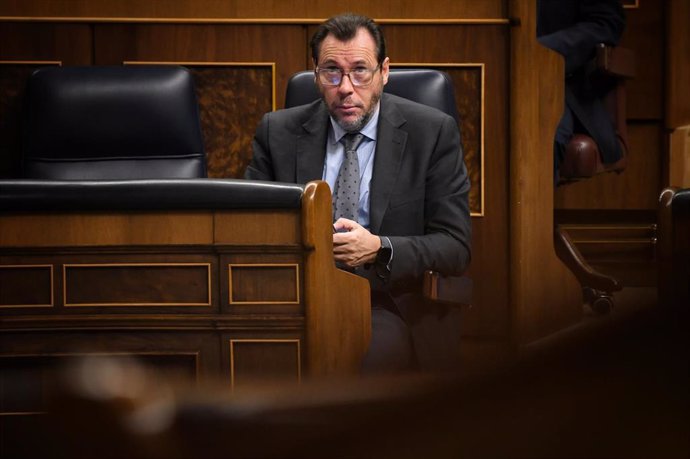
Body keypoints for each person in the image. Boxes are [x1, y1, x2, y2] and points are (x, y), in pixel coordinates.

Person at [245, 13, 471, 373]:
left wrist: (379, 247)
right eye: (332, 71)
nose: (346, 87)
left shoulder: (431, 133)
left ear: (384, 72)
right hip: (293, 297)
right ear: (316, 75)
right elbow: (248, 228)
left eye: (360, 70)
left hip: (383, 301)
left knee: (357, 360)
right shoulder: (278, 132)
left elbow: (454, 246)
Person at [537, 0, 627, 181]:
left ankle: (533, 210)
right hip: (483, 76)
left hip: (560, 85)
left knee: (539, 134)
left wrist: (539, 50)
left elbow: (605, 24)